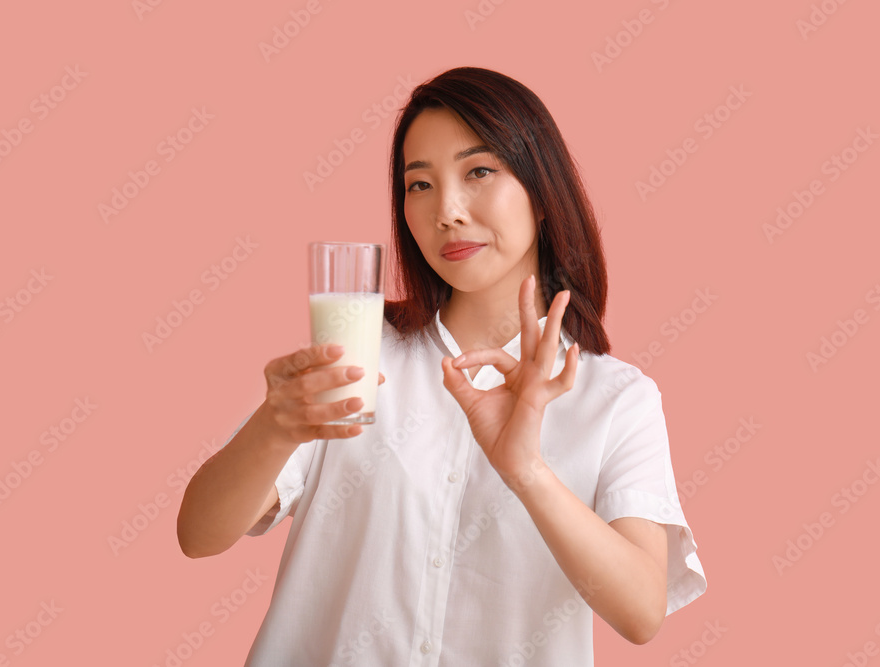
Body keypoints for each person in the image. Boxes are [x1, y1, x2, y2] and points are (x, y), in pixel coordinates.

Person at [177, 66, 706, 666]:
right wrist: (275, 426)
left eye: (479, 171)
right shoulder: (358, 354)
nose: (447, 210)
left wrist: (526, 471)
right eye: (419, 185)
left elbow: (641, 613)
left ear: (541, 190)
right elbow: (198, 535)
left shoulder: (615, 399)